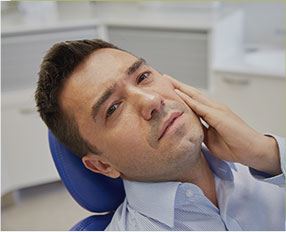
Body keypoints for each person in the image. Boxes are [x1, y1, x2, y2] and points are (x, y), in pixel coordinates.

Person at [35, 39, 285, 230]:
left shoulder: (268, 164)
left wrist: (267, 153)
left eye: (143, 77)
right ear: (101, 165)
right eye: (113, 108)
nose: (152, 100)